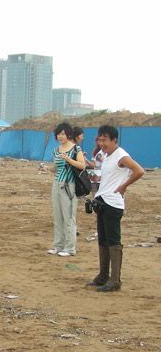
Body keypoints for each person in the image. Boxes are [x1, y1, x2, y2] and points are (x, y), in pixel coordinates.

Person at [88, 125, 144, 292]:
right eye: (100, 139)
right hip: (102, 202)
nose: (102, 143)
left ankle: (115, 280)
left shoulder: (121, 155)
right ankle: (103, 275)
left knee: (113, 242)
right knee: (103, 240)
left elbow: (139, 171)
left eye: (105, 140)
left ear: (114, 140)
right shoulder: (107, 155)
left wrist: (124, 186)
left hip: (113, 204)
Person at [48, 122, 86, 257]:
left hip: (70, 186)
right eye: (58, 134)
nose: (60, 136)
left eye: (63, 134)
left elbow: (82, 166)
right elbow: (56, 168)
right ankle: (58, 246)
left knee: (69, 217)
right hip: (57, 184)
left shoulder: (76, 149)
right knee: (58, 217)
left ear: (69, 134)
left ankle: (70, 248)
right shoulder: (56, 150)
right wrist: (46, 168)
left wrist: (69, 159)